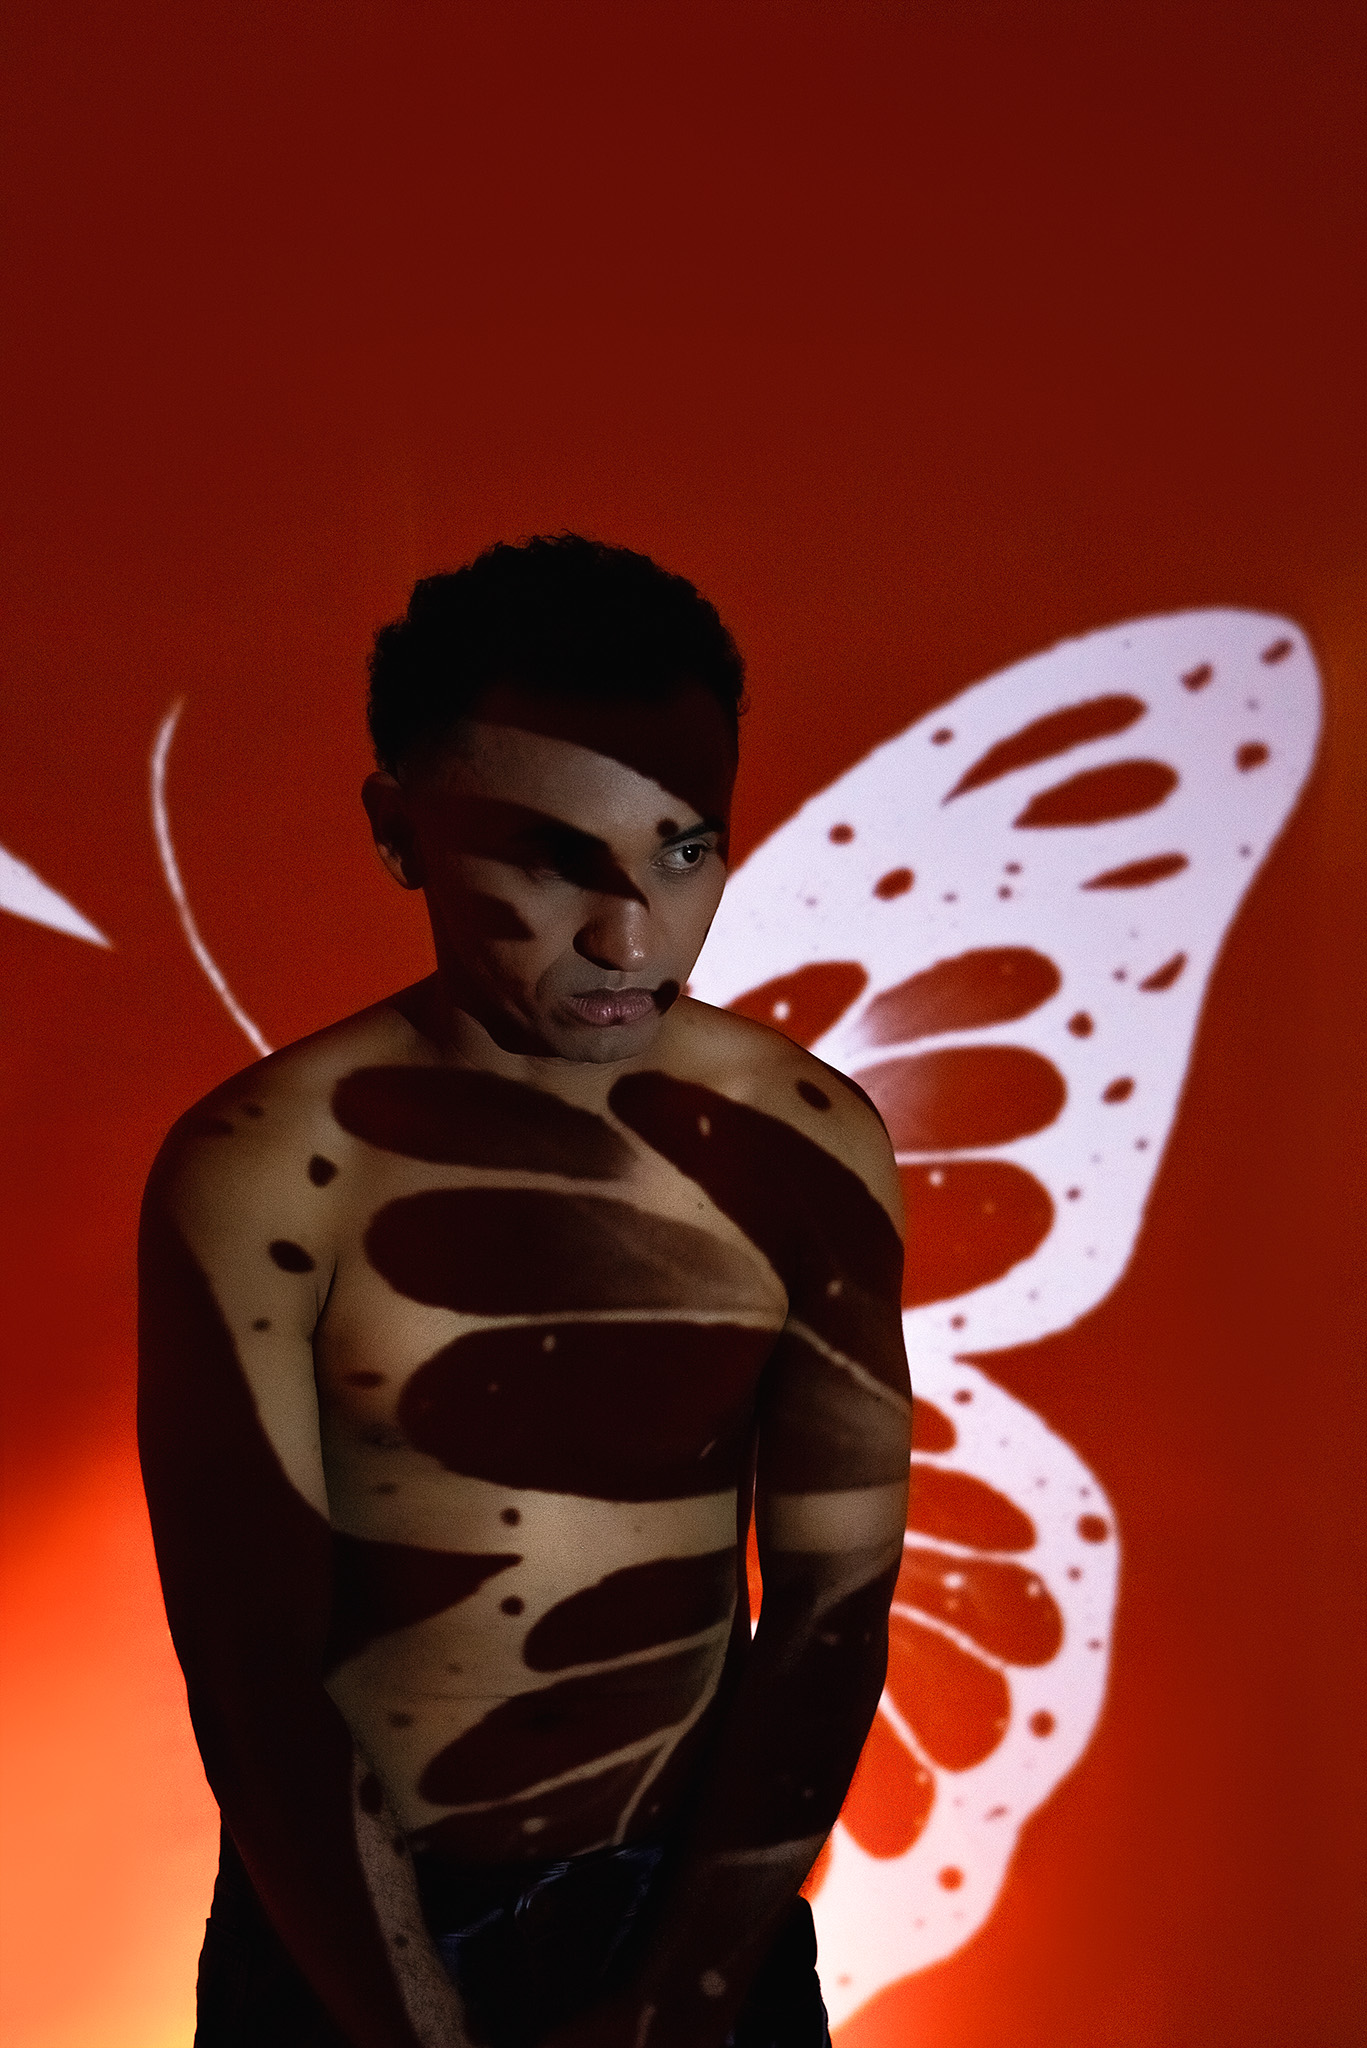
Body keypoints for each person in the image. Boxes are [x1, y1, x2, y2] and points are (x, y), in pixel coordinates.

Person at [138, 534, 912, 2048]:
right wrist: (410, 2024)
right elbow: (252, 1670)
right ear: (399, 830)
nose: (630, 938)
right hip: (345, 1921)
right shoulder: (263, 1167)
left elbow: (835, 1599)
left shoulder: (804, 1143)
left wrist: (688, 1992)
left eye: (685, 851)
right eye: (557, 860)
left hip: (698, 1905)